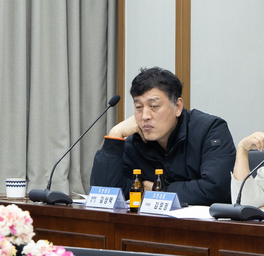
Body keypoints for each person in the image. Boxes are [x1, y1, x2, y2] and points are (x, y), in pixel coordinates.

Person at [90, 67, 234, 206]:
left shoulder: (210, 130)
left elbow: (217, 188)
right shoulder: (134, 143)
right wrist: (115, 136)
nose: (145, 116)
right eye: (139, 107)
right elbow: (103, 195)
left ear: (177, 107)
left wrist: (157, 190)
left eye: (154, 106)